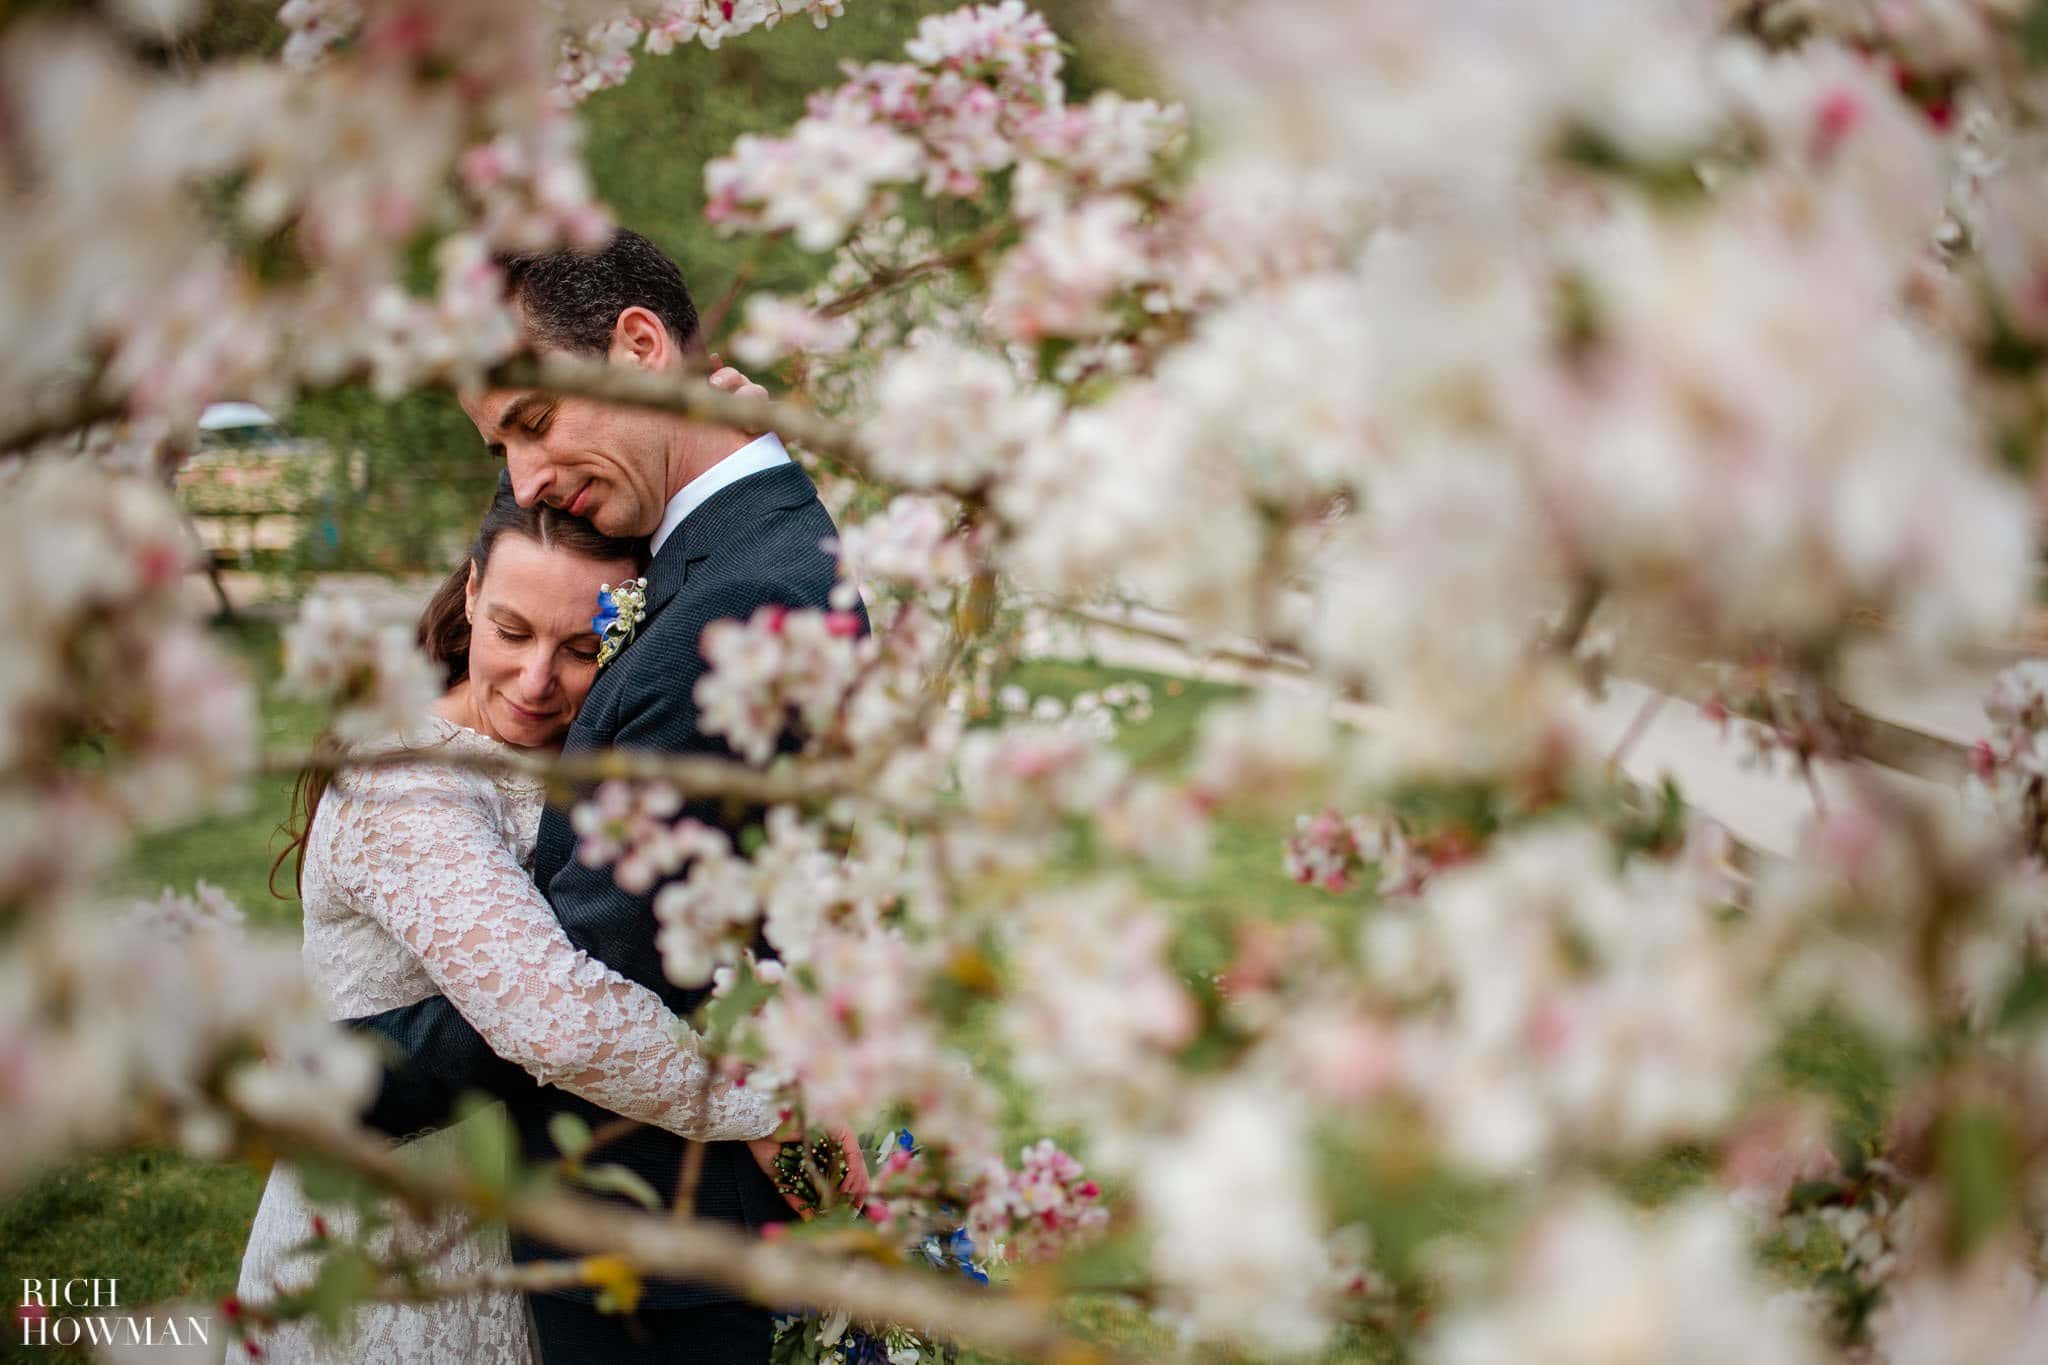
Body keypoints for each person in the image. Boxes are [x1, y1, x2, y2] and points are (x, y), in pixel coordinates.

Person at [345, 228, 870, 1365]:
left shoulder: (734, 615)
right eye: (501, 446)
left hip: (671, 1241)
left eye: (531, 424)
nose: (523, 483)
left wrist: (348, 1081)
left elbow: (591, 976)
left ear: (638, 347)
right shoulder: (720, 547)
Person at [232, 486, 784, 1363]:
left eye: (581, 648)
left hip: (538, 1220)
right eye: (512, 631)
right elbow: (555, 1017)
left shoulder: (596, 754)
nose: (534, 682)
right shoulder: (402, 782)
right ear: (472, 593)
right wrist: (762, 1108)